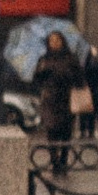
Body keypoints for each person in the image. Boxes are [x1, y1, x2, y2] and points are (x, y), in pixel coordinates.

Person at [32, 28, 78, 162]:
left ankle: (63, 157)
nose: (54, 43)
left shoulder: (70, 58)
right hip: (50, 99)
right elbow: (36, 79)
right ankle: (54, 159)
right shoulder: (44, 59)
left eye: (57, 40)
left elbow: (79, 77)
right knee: (52, 129)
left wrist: (67, 75)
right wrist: (42, 72)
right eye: (51, 40)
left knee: (65, 132)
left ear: (62, 42)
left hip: (66, 98)